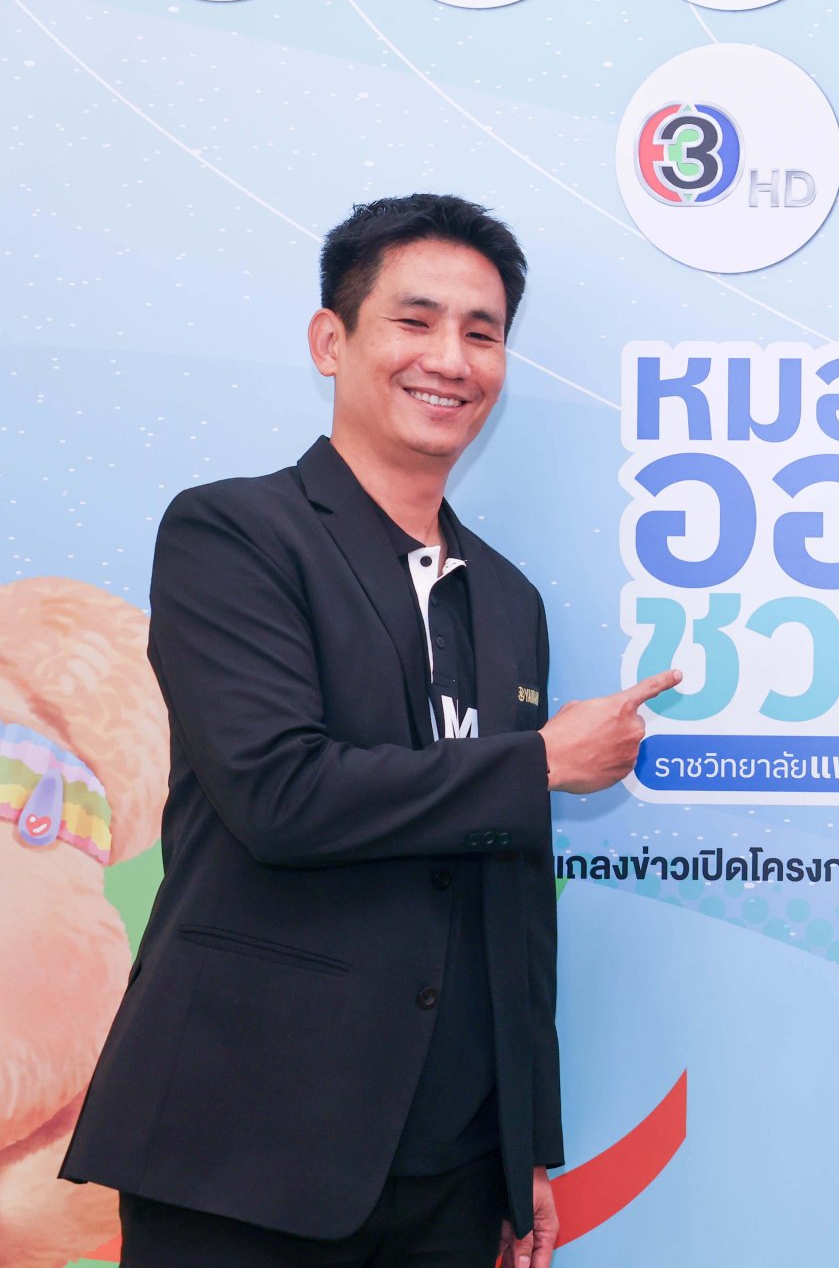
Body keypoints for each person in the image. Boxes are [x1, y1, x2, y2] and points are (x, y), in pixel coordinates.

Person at [60, 193, 679, 1268]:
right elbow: (280, 795)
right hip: (242, 1146)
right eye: (416, 320)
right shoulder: (234, 533)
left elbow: (511, 893)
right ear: (331, 340)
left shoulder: (510, 598)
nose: (451, 359)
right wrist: (540, 762)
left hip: (450, 1171)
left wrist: (524, 1150)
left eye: (482, 333)